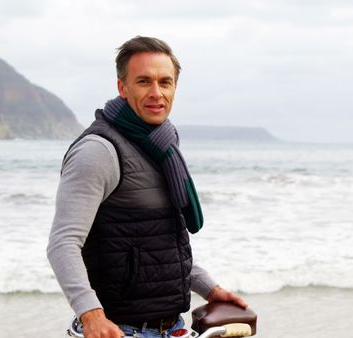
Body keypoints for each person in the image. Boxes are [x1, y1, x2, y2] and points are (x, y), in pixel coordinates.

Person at [47, 36, 247, 338]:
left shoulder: (164, 145)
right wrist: (90, 315)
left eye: (165, 82)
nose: (157, 93)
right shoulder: (98, 151)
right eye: (144, 81)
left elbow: (156, 244)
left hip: (172, 327)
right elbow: (62, 243)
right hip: (119, 331)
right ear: (122, 87)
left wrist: (211, 289)